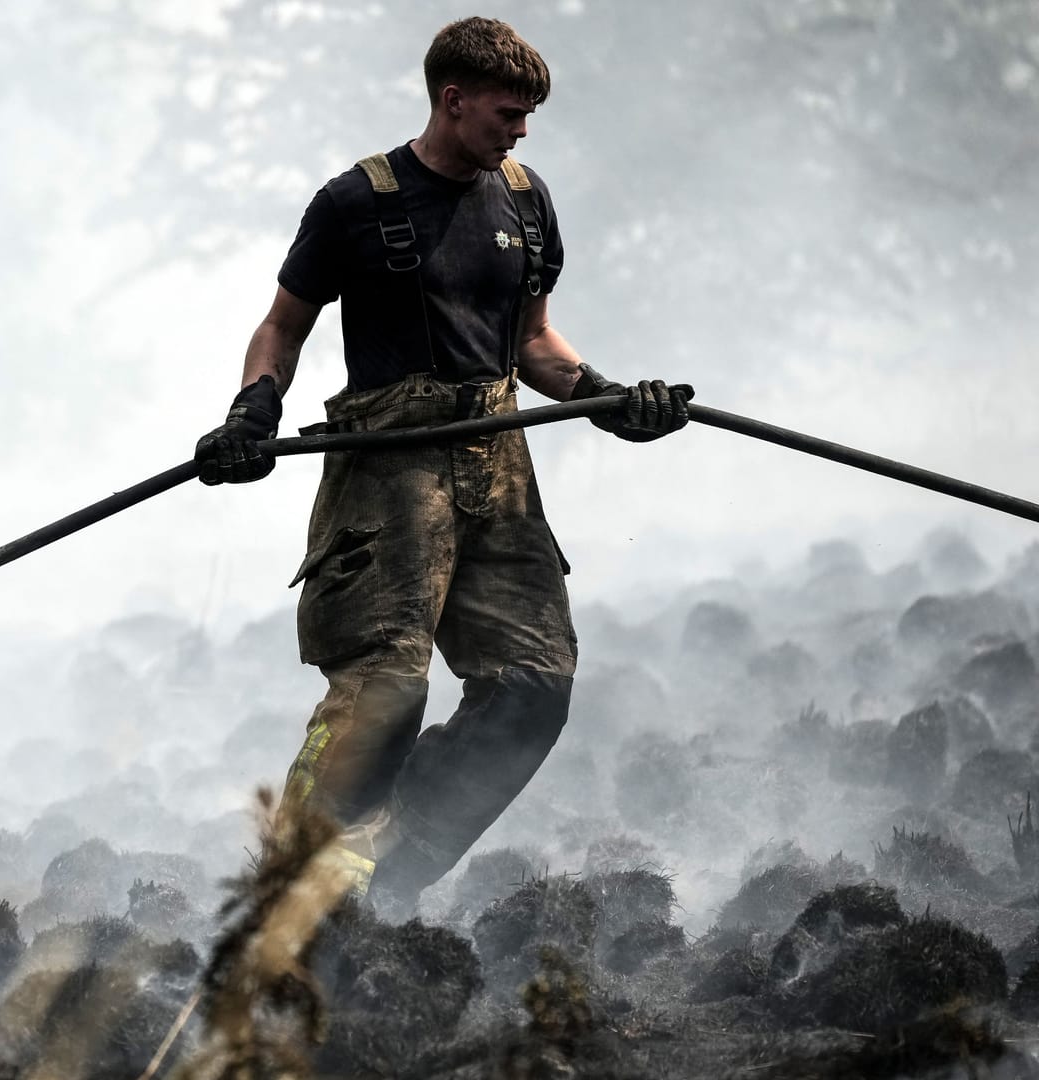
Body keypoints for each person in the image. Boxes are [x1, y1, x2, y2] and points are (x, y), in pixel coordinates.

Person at [194, 16, 693, 913]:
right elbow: (283, 325)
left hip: (497, 468)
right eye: (509, 112)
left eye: (530, 114)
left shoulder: (526, 198)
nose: (523, 131)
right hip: (388, 473)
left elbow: (534, 344)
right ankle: (290, 884)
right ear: (451, 100)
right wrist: (251, 412)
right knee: (385, 689)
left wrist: (613, 400)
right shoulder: (355, 203)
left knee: (534, 687)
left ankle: (381, 883)